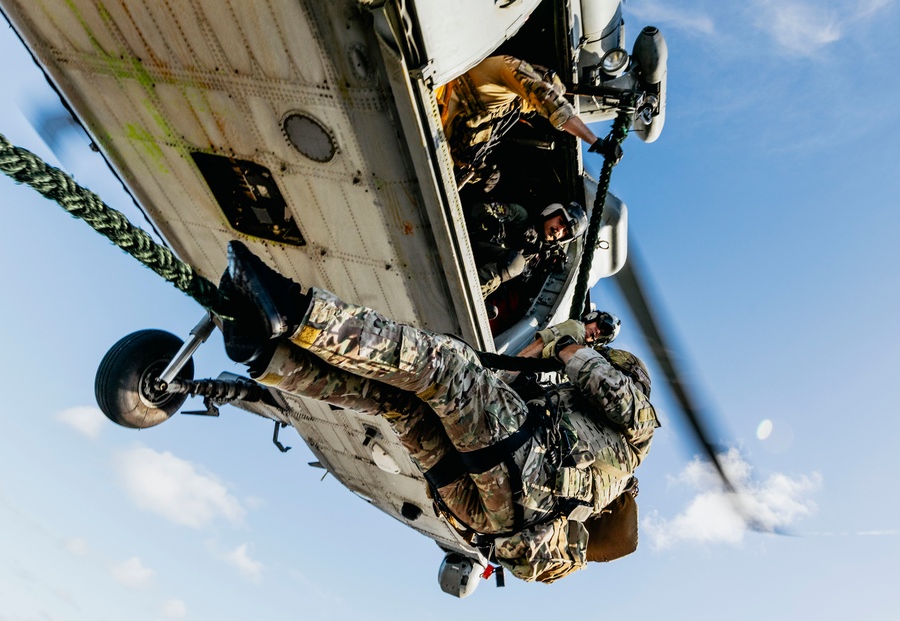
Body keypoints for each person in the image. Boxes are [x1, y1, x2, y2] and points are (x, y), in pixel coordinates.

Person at [219, 241, 659, 584]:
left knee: (446, 364)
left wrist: (570, 347)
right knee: (399, 405)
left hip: (526, 474)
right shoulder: (590, 449)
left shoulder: (637, 430)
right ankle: (272, 361)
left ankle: (294, 310)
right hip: (489, 512)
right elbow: (494, 396)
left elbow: (611, 388)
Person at [437, 55, 623, 186]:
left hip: (437, 146)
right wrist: (597, 143)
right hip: (431, 112)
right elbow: (550, 102)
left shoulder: (507, 111)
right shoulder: (511, 67)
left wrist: (481, 171)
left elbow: (465, 147)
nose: (537, 110)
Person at [469, 200, 589, 299]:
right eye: (560, 222)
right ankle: (473, 293)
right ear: (552, 213)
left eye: (565, 232)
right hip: (474, 250)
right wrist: (490, 220)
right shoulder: (521, 216)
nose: (559, 230)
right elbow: (481, 207)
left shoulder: (542, 256)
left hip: (486, 277)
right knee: (516, 262)